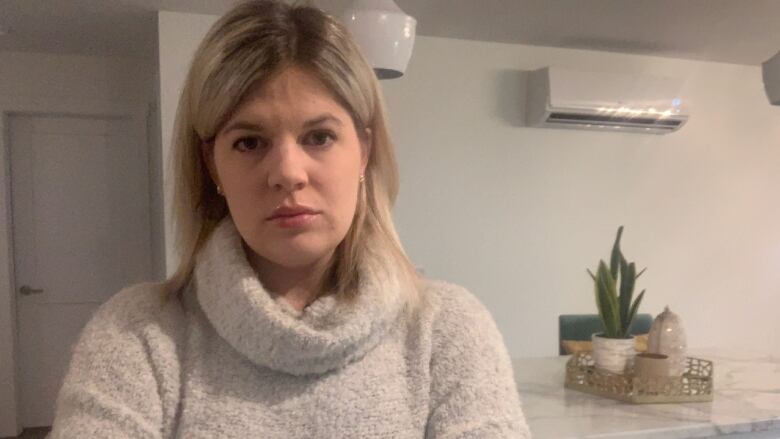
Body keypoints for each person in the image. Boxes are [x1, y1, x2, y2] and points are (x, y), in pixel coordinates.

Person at [49, 1, 531, 437]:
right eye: (250, 142)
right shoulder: (137, 334)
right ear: (212, 164)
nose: (287, 173)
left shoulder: (446, 330)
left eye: (319, 137)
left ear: (363, 151)